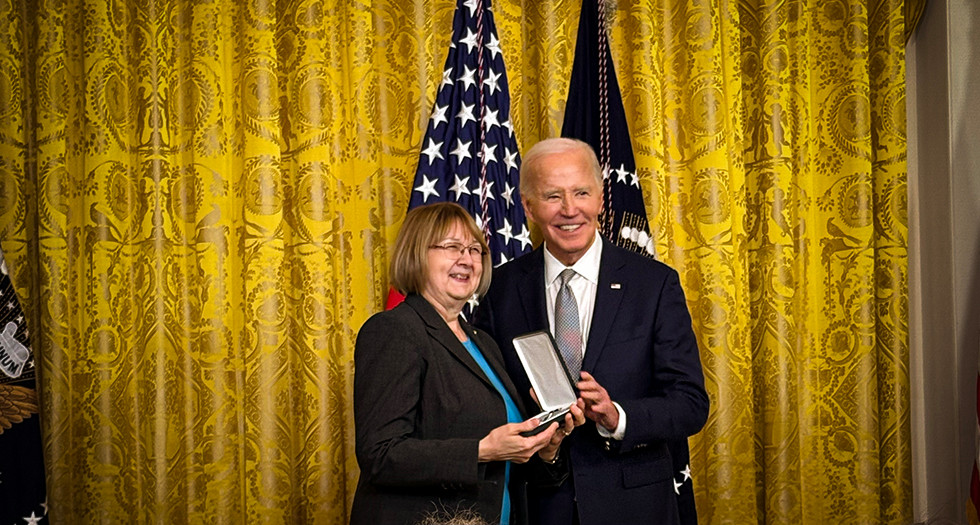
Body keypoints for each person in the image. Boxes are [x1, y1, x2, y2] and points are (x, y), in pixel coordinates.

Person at [474, 138, 709, 525]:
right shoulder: (499, 289)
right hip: (538, 506)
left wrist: (617, 417)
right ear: (528, 207)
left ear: (600, 199)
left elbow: (690, 404)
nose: (570, 210)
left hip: (635, 508)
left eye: (581, 192)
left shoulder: (654, 285)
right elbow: (484, 401)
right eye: (553, 196)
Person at [351, 202, 585, 525]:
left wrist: (545, 449)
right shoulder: (394, 331)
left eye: (475, 250)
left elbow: (504, 467)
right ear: (417, 254)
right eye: (451, 247)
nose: (467, 259)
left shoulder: (483, 342)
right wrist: (482, 450)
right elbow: (380, 455)